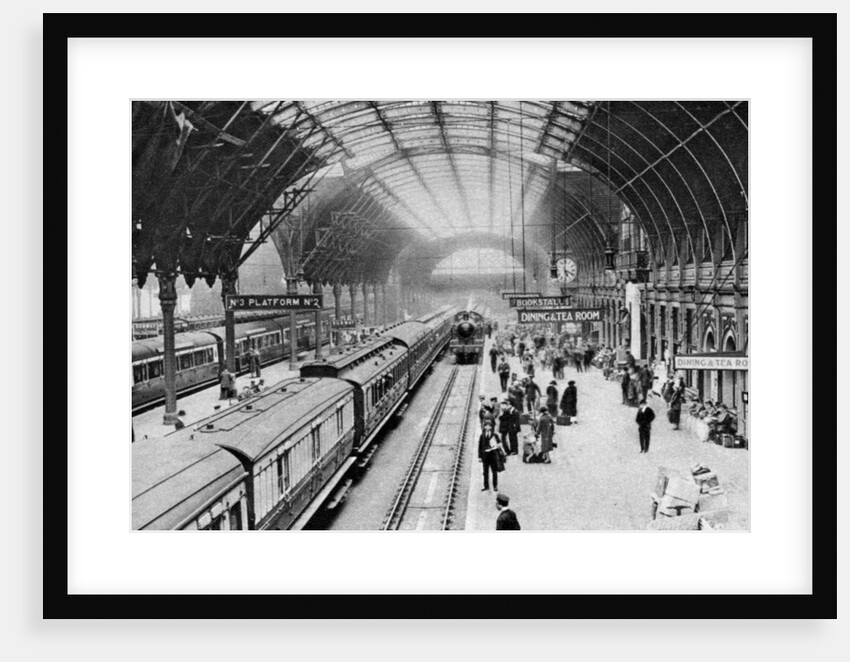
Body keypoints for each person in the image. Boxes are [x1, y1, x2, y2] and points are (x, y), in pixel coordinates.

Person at [478, 421, 506, 491]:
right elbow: (480, 446)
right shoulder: (482, 435)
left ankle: (495, 486)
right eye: (486, 426)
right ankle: (486, 486)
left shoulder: (495, 435)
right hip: (485, 456)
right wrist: (480, 456)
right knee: (485, 472)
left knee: (494, 471)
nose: (487, 427)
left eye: (489, 426)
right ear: (484, 427)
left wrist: (497, 446)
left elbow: (499, 443)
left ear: (491, 427)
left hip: (493, 455)